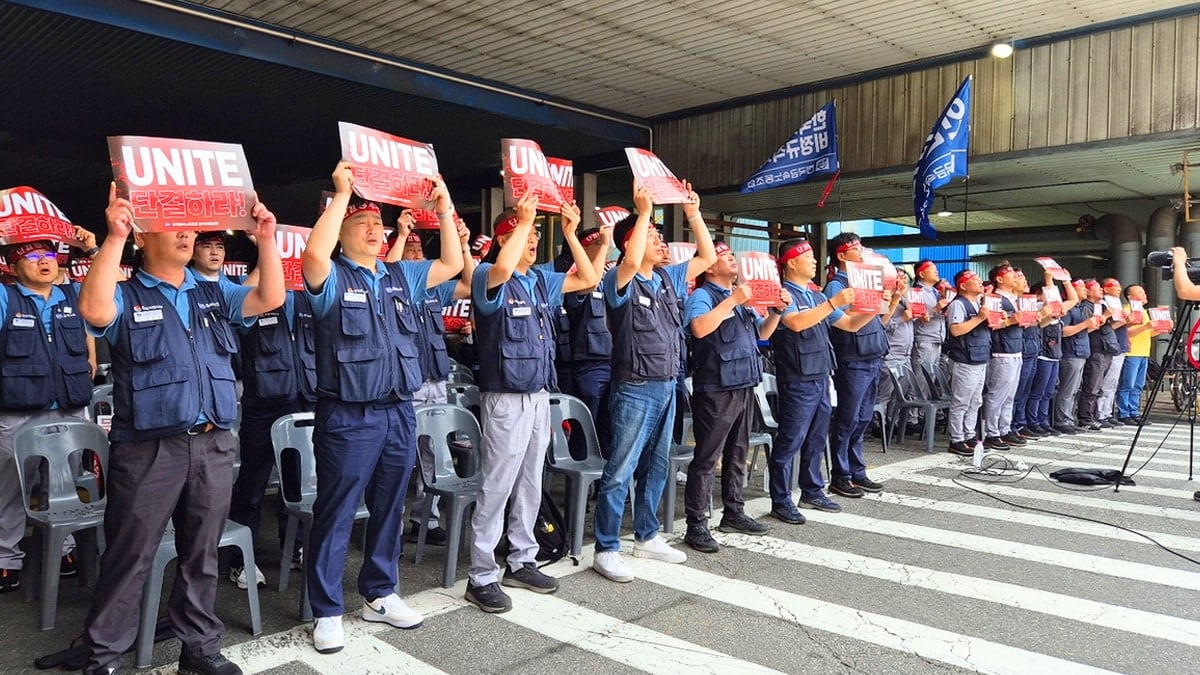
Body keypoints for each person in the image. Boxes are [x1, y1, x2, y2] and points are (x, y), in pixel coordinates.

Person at [78, 183, 284, 675]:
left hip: (212, 443)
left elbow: (270, 296)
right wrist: (111, 238)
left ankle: (199, 651)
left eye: (192, 225)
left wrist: (267, 238)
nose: (188, 232)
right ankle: (104, 658)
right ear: (142, 237)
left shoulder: (214, 292)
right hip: (150, 449)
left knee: (202, 554)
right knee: (131, 557)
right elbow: (92, 310)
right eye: (174, 224)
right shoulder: (126, 293)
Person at [300, 162, 463, 654]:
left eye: (379, 225)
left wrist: (446, 207)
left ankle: (380, 591)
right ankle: (327, 611)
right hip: (348, 415)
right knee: (337, 511)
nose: (375, 231)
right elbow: (312, 253)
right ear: (341, 231)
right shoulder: (329, 278)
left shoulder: (398, 276)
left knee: (392, 504)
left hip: (398, 411)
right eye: (362, 224)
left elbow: (452, 265)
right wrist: (342, 195)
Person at [463, 195, 597, 612]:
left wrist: (572, 235)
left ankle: (522, 558)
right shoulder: (489, 274)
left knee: (530, 482)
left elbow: (588, 278)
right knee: (497, 485)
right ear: (505, 239)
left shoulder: (540, 279)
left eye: (538, 233)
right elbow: (502, 267)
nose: (534, 239)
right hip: (505, 396)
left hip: (538, 393)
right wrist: (520, 222)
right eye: (526, 233)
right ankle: (481, 574)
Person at [591, 182, 716, 583]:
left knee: (657, 466)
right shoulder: (619, 280)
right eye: (655, 237)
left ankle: (646, 536)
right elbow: (627, 261)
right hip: (634, 387)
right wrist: (643, 212)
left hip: (667, 384)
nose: (663, 243)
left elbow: (707, 256)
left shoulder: (667, 280)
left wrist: (694, 213)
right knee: (620, 469)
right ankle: (606, 547)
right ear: (633, 241)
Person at [0, 238, 97, 594]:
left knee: (64, 484)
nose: (44, 262)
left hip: (69, 410)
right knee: (10, 488)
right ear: (11, 266)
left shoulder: (74, 296)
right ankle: (6, 559)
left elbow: (115, 287)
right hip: (18, 412)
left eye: (49, 255)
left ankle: (65, 551)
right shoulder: (5, 298)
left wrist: (94, 250)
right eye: (32, 256)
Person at [680, 241, 788, 552]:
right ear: (709, 267)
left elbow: (762, 335)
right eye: (725, 257)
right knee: (707, 457)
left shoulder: (738, 298)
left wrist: (776, 312)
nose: (732, 260)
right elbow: (699, 328)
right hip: (715, 387)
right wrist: (734, 301)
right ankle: (696, 524)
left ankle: (734, 511)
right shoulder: (703, 296)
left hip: (743, 383)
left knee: (737, 452)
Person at [386, 210, 475, 546]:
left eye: (420, 248)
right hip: (404, 387)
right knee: (399, 463)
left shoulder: (433, 292)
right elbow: (386, 274)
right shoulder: (392, 286)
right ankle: (389, 530)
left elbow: (468, 285)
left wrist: (464, 246)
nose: (417, 253)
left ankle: (426, 519)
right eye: (411, 248)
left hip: (435, 381)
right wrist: (400, 234)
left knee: (433, 458)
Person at [769, 239, 873, 520]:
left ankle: (812, 490)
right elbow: (796, 323)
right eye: (809, 256)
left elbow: (849, 324)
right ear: (791, 262)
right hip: (797, 376)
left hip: (821, 374)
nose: (815, 261)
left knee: (816, 438)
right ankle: (780, 500)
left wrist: (873, 308)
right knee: (791, 440)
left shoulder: (816, 296)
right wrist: (833, 302)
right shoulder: (783, 294)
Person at [822, 233, 898, 495]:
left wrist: (894, 298)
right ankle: (840, 474)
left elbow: (879, 321)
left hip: (872, 355)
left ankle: (857, 470)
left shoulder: (866, 283)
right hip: (852, 359)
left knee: (864, 417)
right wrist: (867, 303)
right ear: (841, 256)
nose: (862, 252)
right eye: (855, 249)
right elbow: (841, 323)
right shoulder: (837, 286)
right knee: (847, 418)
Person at [560, 227, 615, 453]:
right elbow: (588, 284)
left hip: (615, 360)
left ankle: (603, 483)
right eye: (597, 244)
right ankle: (581, 482)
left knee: (610, 427)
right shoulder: (575, 278)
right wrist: (603, 246)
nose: (606, 247)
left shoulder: (611, 277)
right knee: (586, 426)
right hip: (589, 363)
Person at [944, 270, 993, 455]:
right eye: (974, 280)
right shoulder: (958, 304)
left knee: (975, 401)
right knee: (961, 401)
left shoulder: (978, 303)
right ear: (963, 285)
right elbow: (955, 330)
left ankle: (969, 435)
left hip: (980, 357)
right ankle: (956, 439)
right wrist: (979, 318)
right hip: (965, 359)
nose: (980, 282)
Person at [980, 262, 1028, 450]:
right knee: (997, 394)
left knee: (1009, 395)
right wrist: (1010, 320)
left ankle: (1004, 428)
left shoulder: (1013, 298)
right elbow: (993, 324)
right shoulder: (995, 298)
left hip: (1015, 348)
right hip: (1002, 350)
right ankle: (992, 432)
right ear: (999, 279)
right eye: (1010, 274)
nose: (1015, 277)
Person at [1024, 274, 1079, 435]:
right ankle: (1032, 421)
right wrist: (1049, 279)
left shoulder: (1055, 309)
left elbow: (1073, 300)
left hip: (1055, 354)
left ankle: (1043, 420)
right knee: (1037, 392)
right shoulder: (1039, 307)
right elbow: (1052, 301)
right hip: (1042, 354)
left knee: (1048, 392)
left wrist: (1067, 281)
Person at [1053, 280, 1101, 434]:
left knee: (1073, 390)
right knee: (1066, 390)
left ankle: (1068, 418)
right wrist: (1085, 324)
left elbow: (1080, 331)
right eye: (1080, 288)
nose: (1084, 290)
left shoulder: (1079, 308)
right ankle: (1061, 420)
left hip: (1081, 351)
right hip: (1070, 353)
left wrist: (1088, 327)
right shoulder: (1069, 308)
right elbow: (1063, 331)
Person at [1115, 284, 1165, 424]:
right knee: (1127, 384)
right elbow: (1126, 332)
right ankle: (1124, 413)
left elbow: (1146, 333)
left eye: (1143, 292)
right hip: (1131, 353)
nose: (1144, 294)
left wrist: (1161, 329)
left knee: (1138, 385)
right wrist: (1147, 326)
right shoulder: (1126, 311)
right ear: (1130, 297)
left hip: (1143, 352)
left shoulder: (1143, 312)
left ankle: (1134, 411)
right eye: (1140, 292)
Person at [1078, 279, 1122, 430]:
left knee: (1099, 386)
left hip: (1107, 347)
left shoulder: (1102, 305)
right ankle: (1085, 418)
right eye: (1097, 288)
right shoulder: (1086, 307)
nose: (1101, 291)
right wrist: (1104, 317)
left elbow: (1109, 326)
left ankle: (1096, 415)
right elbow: (1088, 328)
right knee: (1092, 385)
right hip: (1096, 348)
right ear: (1089, 291)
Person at [1096, 278, 1130, 426]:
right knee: (1104, 382)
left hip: (1119, 345)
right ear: (1105, 289)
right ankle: (1099, 413)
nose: (1118, 288)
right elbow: (1104, 329)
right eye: (1113, 285)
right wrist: (1122, 321)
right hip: (1108, 346)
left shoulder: (1117, 304)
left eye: (1118, 285)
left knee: (1112, 382)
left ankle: (1107, 412)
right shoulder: (1104, 305)